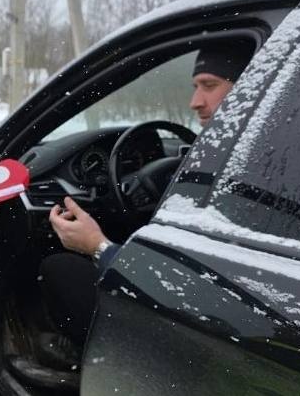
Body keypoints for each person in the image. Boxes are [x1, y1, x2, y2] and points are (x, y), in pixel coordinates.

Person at [38, 42, 253, 365]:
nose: (195, 101)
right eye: (195, 87)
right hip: (210, 315)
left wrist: (98, 246)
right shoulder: (234, 153)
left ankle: (102, 364)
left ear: (250, 84)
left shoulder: (250, 171)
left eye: (210, 85)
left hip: (200, 332)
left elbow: (191, 285)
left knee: (59, 269)